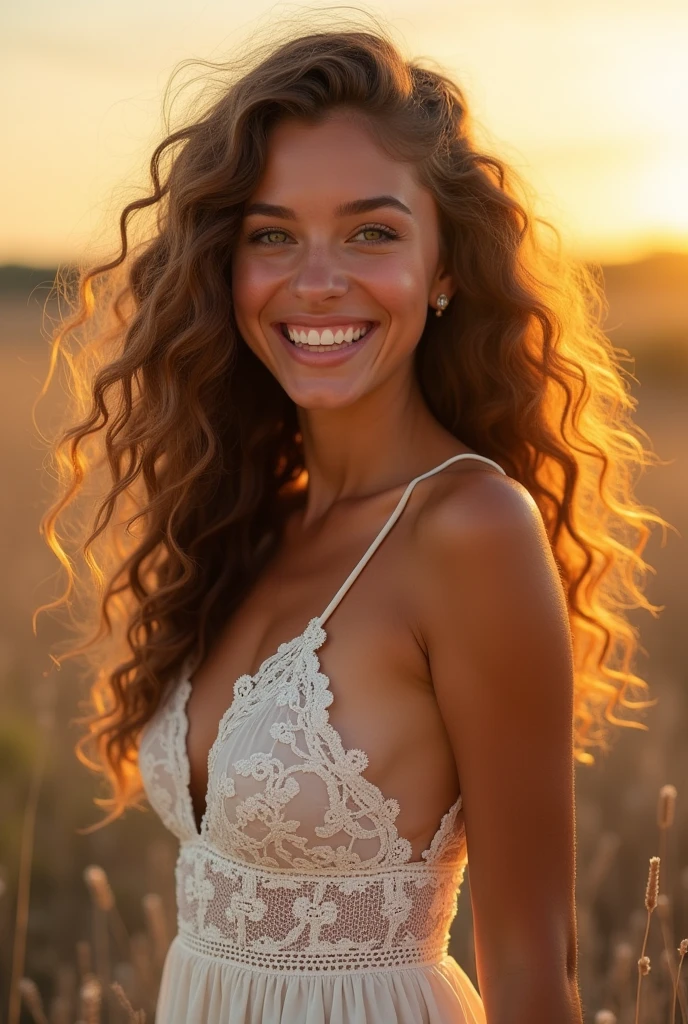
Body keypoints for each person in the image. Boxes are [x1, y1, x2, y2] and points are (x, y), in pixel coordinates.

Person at [38, 15, 666, 1024]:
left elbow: (528, 962)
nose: (315, 279)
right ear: (225, 267)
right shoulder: (254, 523)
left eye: (371, 232)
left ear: (446, 267)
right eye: (271, 235)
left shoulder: (470, 530)